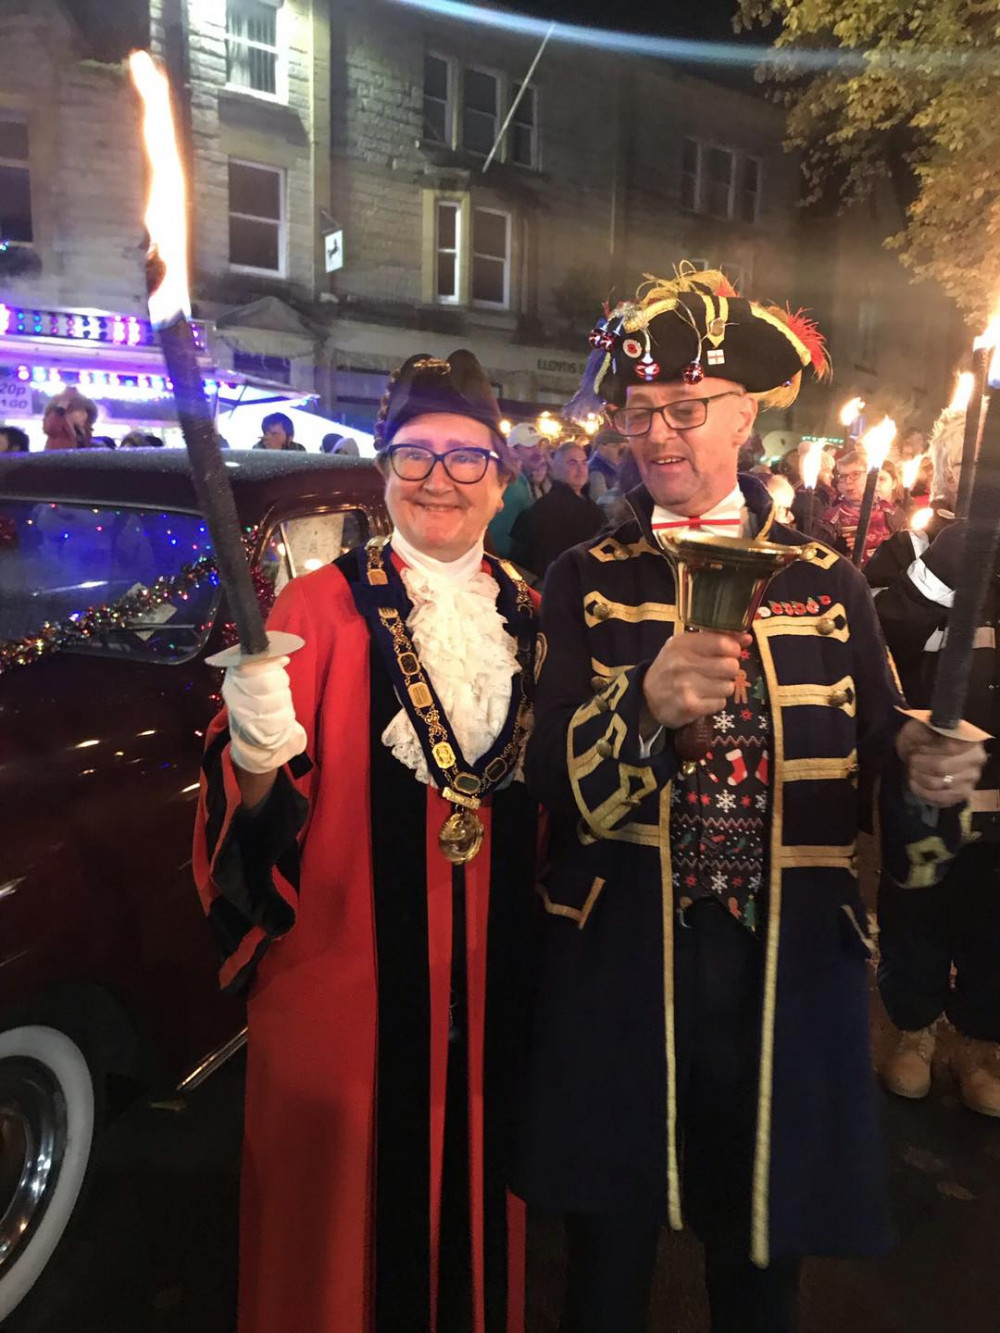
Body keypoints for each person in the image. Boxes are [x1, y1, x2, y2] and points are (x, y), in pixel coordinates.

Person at [512, 267, 985, 1333]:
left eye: (685, 411)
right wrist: (641, 709)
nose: (657, 434)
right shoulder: (583, 577)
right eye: (640, 413)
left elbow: (883, 764)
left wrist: (926, 771)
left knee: (761, 1275)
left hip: (783, 970)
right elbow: (551, 779)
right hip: (625, 961)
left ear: (745, 414)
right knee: (604, 1274)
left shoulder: (829, 580)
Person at [193, 350, 539, 1333]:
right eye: (414, 453)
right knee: (338, 1255)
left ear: (500, 478)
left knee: (473, 1216)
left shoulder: (539, 619)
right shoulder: (313, 611)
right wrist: (255, 748)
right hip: (347, 995)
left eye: (465, 456)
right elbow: (247, 835)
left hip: (486, 989)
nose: (439, 476)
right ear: (384, 469)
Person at [872, 405, 1000, 1116]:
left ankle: (983, 1041)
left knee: (992, 919)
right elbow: (884, 628)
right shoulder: (908, 553)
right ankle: (914, 1029)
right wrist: (954, 555)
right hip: (927, 788)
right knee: (918, 910)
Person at [510, 439, 604, 578]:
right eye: (572, 463)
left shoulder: (593, 509)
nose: (581, 469)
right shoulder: (542, 512)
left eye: (584, 463)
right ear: (555, 467)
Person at [821, 449, 894, 566]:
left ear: (871, 476)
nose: (848, 481)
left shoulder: (890, 512)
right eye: (843, 476)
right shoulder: (832, 518)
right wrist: (837, 549)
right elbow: (818, 556)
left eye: (855, 474)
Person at [487, 421, 548, 559]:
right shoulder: (512, 486)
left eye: (539, 445)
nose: (538, 451)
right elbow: (499, 538)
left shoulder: (524, 481)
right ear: (513, 451)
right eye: (530, 447)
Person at [587, 426, 627, 502]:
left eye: (623, 448)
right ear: (601, 447)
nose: (620, 452)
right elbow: (601, 505)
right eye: (615, 446)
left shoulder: (615, 467)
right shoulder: (596, 472)